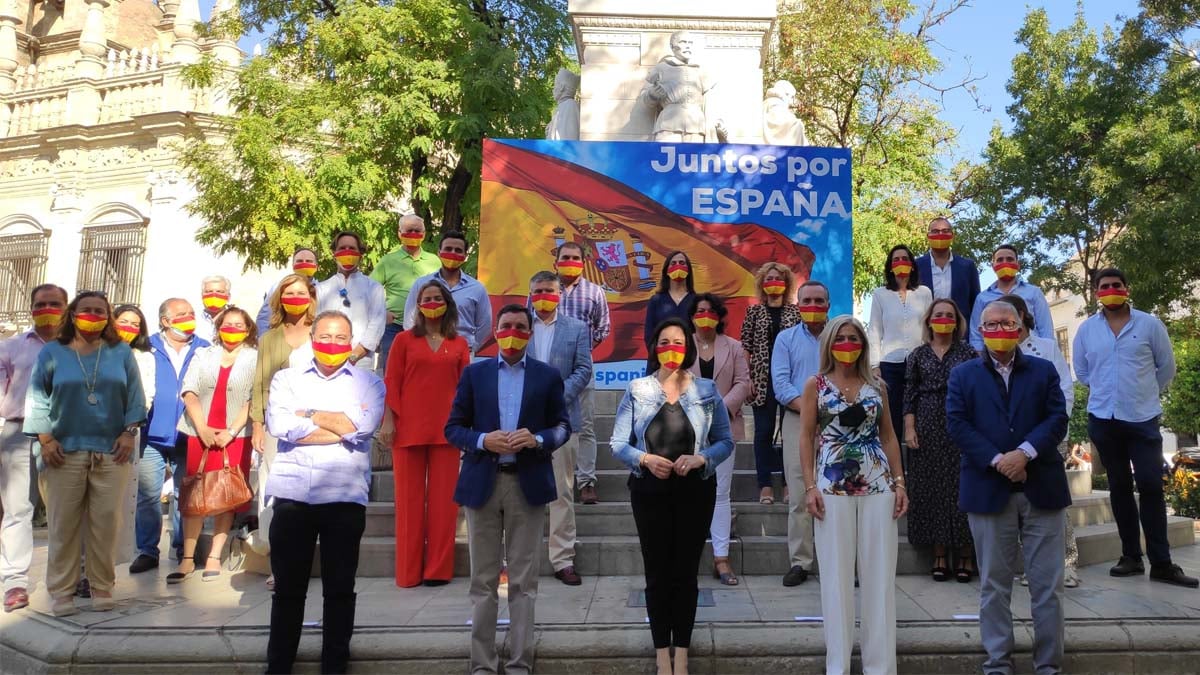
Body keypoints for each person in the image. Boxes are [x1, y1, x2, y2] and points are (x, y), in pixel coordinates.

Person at [947, 299, 1071, 675]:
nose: (999, 330)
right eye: (991, 324)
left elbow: (1056, 418)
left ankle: (1048, 665)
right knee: (994, 585)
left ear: (1020, 328)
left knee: (1047, 587)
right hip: (988, 487)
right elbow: (957, 424)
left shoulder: (1044, 370)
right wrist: (1000, 460)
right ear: (980, 331)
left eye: (1007, 323)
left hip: (1042, 486)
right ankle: (998, 663)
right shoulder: (963, 374)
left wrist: (1025, 454)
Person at [445, 304, 570, 675]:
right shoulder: (475, 374)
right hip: (482, 482)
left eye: (520, 326)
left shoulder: (547, 376)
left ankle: (519, 664)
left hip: (527, 485)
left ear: (529, 334)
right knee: (482, 582)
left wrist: (538, 438)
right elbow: (453, 428)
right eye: (506, 326)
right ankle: (482, 665)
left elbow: (562, 427)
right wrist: (483, 440)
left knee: (523, 583)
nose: (513, 332)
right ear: (495, 332)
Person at [264, 311, 386, 674]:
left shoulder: (370, 383)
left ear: (350, 342)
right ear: (312, 338)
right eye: (325, 336)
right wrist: (340, 426)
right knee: (288, 588)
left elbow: (362, 429)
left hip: (344, 497)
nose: (332, 344)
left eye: (340, 338)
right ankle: (279, 664)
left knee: (339, 588)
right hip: (292, 496)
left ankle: (335, 662)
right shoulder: (285, 379)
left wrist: (310, 413)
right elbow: (281, 425)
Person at [612, 318, 732, 675]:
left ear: (689, 347)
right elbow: (618, 443)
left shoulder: (707, 390)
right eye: (664, 342)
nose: (671, 348)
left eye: (678, 342)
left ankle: (682, 654)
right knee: (657, 574)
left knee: (686, 574)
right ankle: (661, 653)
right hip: (650, 492)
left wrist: (702, 457)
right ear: (654, 347)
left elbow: (725, 441)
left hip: (695, 491)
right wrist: (645, 459)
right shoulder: (637, 389)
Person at [24, 291, 146, 617]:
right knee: (63, 527)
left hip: (112, 453)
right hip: (62, 452)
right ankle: (62, 592)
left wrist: (128, 432)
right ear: (73, 314)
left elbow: (135, 396)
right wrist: (46, 440)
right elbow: (37, 398)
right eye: (86, 309)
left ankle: (102, 587)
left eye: (99, 310)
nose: (93, 315)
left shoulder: (120, 352)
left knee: (106, 524)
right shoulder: (53, 351)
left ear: (108, 316)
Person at [1073, 268, 1195, 588]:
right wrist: (1109, 393)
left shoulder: (1150, 324)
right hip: (1104, 419)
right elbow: (1083, 371)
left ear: (1126, 288)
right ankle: (1130, 557)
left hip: (1142, 418)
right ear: (1096, 292)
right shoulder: (1087, 330)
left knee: (1151, 485)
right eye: (1104, 286)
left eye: (1116, 285)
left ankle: (1162, 562)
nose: (1111, 289)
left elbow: (1166, 367)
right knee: (1120, 488)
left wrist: (1142, 392)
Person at [799, 315, 907, 675]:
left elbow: (889, 436)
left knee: (879, 579)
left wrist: (900, 482)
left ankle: (880, 667)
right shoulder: (815, 385)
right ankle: (838, 666)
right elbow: (805, 437)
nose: (848, 343)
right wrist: (810, 486)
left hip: (877, 486)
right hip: (831, 488)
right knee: (835, 579)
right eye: (841, 338)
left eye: (854, 338)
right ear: (829, 343)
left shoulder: (878, 385)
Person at [379, 280, 470, 588]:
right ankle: (408, 572)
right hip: (407, 429)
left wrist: (467, 427)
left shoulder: (459, 343)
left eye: (436, 297)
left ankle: (438, 570)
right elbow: (391, 381)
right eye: (425, 298)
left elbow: (465, 388)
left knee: (445, 504)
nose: (431, 302)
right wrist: (388, 421)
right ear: (417, 306)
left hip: (448, 431)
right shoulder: (404, 340)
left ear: (447, 303)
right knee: (409, 504)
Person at [168, 306, 257, 583]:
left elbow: (254, 398)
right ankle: (187, 558)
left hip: (236, 436)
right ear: (218, 328)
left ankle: (214, 556)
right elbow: (189, 390)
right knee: (196, 496)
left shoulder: (255, 358)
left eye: (238, 325)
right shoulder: (203, 353)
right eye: (227, 324)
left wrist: (231, 431)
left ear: (248, 329)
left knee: (226, 495)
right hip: (200, 433)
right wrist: (203, 428)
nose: (232, 329)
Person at [1004, 293, 1081, 588]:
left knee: (1053, 501)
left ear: (1022, 315)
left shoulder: (1046, 348)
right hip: (1013, 439)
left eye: (1010, 316)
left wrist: (1054, 431)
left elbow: (1065, 392)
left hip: (1048, 437)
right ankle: (1031, 567)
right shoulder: (997, 352)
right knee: (1021, 503)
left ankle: (1068, 564)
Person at [0, 283, 67, 613]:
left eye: (54, 303)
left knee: (65, 510)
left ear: (66, 307)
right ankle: (14, 582)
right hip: (18, 433)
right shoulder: (11, 346)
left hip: (65, 435)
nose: (48, 308)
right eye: (41, 303)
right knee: (17, 510)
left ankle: (68, 579)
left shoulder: (76, 347)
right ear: (31, 308)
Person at [131, 298, 209, 574]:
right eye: (181, 314)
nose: (189, 317)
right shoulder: (146, 346)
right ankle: (147, 551)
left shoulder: (204, 348)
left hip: (188, 433)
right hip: (152, 432)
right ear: (165, 320)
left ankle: (182, 548)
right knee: (149, 495)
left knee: (183, 493)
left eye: (191, 313)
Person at [902, 298, 977, 582]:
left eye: (949, 314)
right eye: (938, 314)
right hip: (927, 423)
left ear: (957, 321)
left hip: (961, 422)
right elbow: (910, 393)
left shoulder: (969, 352)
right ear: (929, 320)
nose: (944, 318)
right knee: (931, 488)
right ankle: (940, 553)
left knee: (962, 487)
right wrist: (910, 428)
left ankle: (966, 554)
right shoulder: (917, 355)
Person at [525, 271, 593, 586]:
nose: (544, 296)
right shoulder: (518, 327)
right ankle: (516, 559)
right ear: (530, 294)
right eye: (538, 290)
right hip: (520, 421)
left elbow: (583, 369)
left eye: (549, 290)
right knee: (517, 493)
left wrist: (554, 397)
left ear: (560, 294)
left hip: (561, 421)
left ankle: (562, 559)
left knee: (562, 493)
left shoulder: (577, 329)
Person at [249, 274, 318, 579]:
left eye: (300, 292)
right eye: (288, 293)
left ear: (311, 297)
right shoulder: (269, 338)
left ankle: (305, 556)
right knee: (272, 487)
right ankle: (277, 563)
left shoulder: (321, 334)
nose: (295, 298)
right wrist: (257, 424)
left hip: (314, 423)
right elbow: (260, 383)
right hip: (276, 424)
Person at [686, 294, 749, 587]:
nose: (706, 315)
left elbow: (743, 383)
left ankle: (721, 558)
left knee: (720, 494)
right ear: (691, 316)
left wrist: (720, 410)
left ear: (719, 315)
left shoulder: (734, 347)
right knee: (687, 492)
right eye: (700, 311)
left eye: (711, 311)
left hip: (724, 431)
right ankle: (687, 553)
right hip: (686, 429)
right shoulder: (682, 345)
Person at [770, 280, 828, 586]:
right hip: (797, 420)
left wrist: (830, 415)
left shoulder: (840, 335)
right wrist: (810, 414)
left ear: (829, 306)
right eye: (807, 301)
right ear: (798, 305)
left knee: (839, 493)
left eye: (820, 301)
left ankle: (838, 560)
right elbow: (781, 385)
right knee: (801, 492)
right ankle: (801, 562)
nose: (814, 307)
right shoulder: (785, 339)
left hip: (839, 423)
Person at [552, 241, 611, 505]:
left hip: (582, 369)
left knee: (585, 427)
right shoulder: (545, 289)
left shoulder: (595, 292)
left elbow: (603, 328)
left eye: (575, 257)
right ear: (556, 261)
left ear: (583, 262)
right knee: (546, 424)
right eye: (565, 257)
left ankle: (586, 482)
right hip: (548, 368)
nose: (570, 261)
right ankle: (550, 481)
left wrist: (581, 351)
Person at [741, 262, 800, 505]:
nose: (773, 282)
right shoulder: (754, 312)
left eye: (778, 278)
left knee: (790, 433)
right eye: (769, 278)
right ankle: (764, 485)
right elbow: (745, 346)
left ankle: (789, 484)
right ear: (762, 284)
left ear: (786, 284)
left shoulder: (796, 312)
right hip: (762, 379)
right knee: (763, 432)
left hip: (791, 380)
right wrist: (747, 378)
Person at [868, 244, 933, 445]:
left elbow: (929, 328)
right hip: (890, 364)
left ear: (912, 265)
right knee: (892, 418)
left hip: (920, 362)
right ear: (890, 266)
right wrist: (874, 366)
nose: (900, 263)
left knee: (921, 415)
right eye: (896, 260)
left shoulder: (924, 292)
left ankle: (920, 470)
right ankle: (896, 472)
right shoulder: (880, 294)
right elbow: (875, 330)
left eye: (905, 259)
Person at [112, 305, 156, 568]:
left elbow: (145, 396)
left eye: (135, 323)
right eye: (123, 321)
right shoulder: (97, 350)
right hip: (94, 430)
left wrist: (129, 427)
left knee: (123, 496)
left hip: (128, 431)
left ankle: (115, 560)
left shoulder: (144, 357)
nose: (128, 327)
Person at [401, 229, 492, 354]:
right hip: (426, 350)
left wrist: (472, 347)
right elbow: (410, 319)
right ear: (439, 252)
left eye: (458, 250)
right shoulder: (421, 284)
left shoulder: (477, 289)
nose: (453, 253)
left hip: (463, 352)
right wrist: (418, 344)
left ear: (465, 256)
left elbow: (485, 324)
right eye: (448, 249)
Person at [370, 214, 441, 374]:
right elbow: (370, 290)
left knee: (424, 371)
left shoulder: (434, 261)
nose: (413, 234)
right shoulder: (388, 260)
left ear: (424, 234)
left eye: (417, 230)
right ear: (399, 233)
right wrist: (382, 312)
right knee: (391, 370)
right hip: (393, 327)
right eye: (409, 230)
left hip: (427, 326)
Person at [316, 231, 387, 369]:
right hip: (327, 360)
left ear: (360, 254)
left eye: (352, 248)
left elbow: (377, 325)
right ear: (334, 253)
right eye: (342, 248)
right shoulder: (322, 289)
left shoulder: (374, 288)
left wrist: (354, 356)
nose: (347, 252)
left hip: (361, 361)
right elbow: (316, 324)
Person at [968, 244, 1053, 351]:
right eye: (1000, 260)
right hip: (994, 357)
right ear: (993, 266)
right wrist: (981, 357)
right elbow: (976, 334)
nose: (1005, 263)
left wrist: (1048, 353)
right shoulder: (982, 298)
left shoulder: (1034, 292)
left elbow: (1045, 329)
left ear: (1018, 264)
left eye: (1010, 259)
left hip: (1031, 353)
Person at [915, 216, 980, 316]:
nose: (940, 234)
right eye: (935, 231)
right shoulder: (916, 266)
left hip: (960, 329)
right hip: (924, 328)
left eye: (945, 231)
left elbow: (975, 303)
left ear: (952, 236)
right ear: (928, 236)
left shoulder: (967, 266)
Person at [255, 248, 319, 334]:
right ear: (293, 266)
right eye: (299, 261)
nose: (304, 264)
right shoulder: (278, 287)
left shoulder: (323, 290)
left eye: (309, 261)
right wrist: (264, 342)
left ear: (317, 266)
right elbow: (264, 319)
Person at [644, 250, 697, 348]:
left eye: (682, 263)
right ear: (666, 271)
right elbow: (649, 335)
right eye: (673, 263)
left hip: (690, 360)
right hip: (661, 358)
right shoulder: (656, 301)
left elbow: (702, 336)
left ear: (688, 270)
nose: (678, 266)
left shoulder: (697, 301)